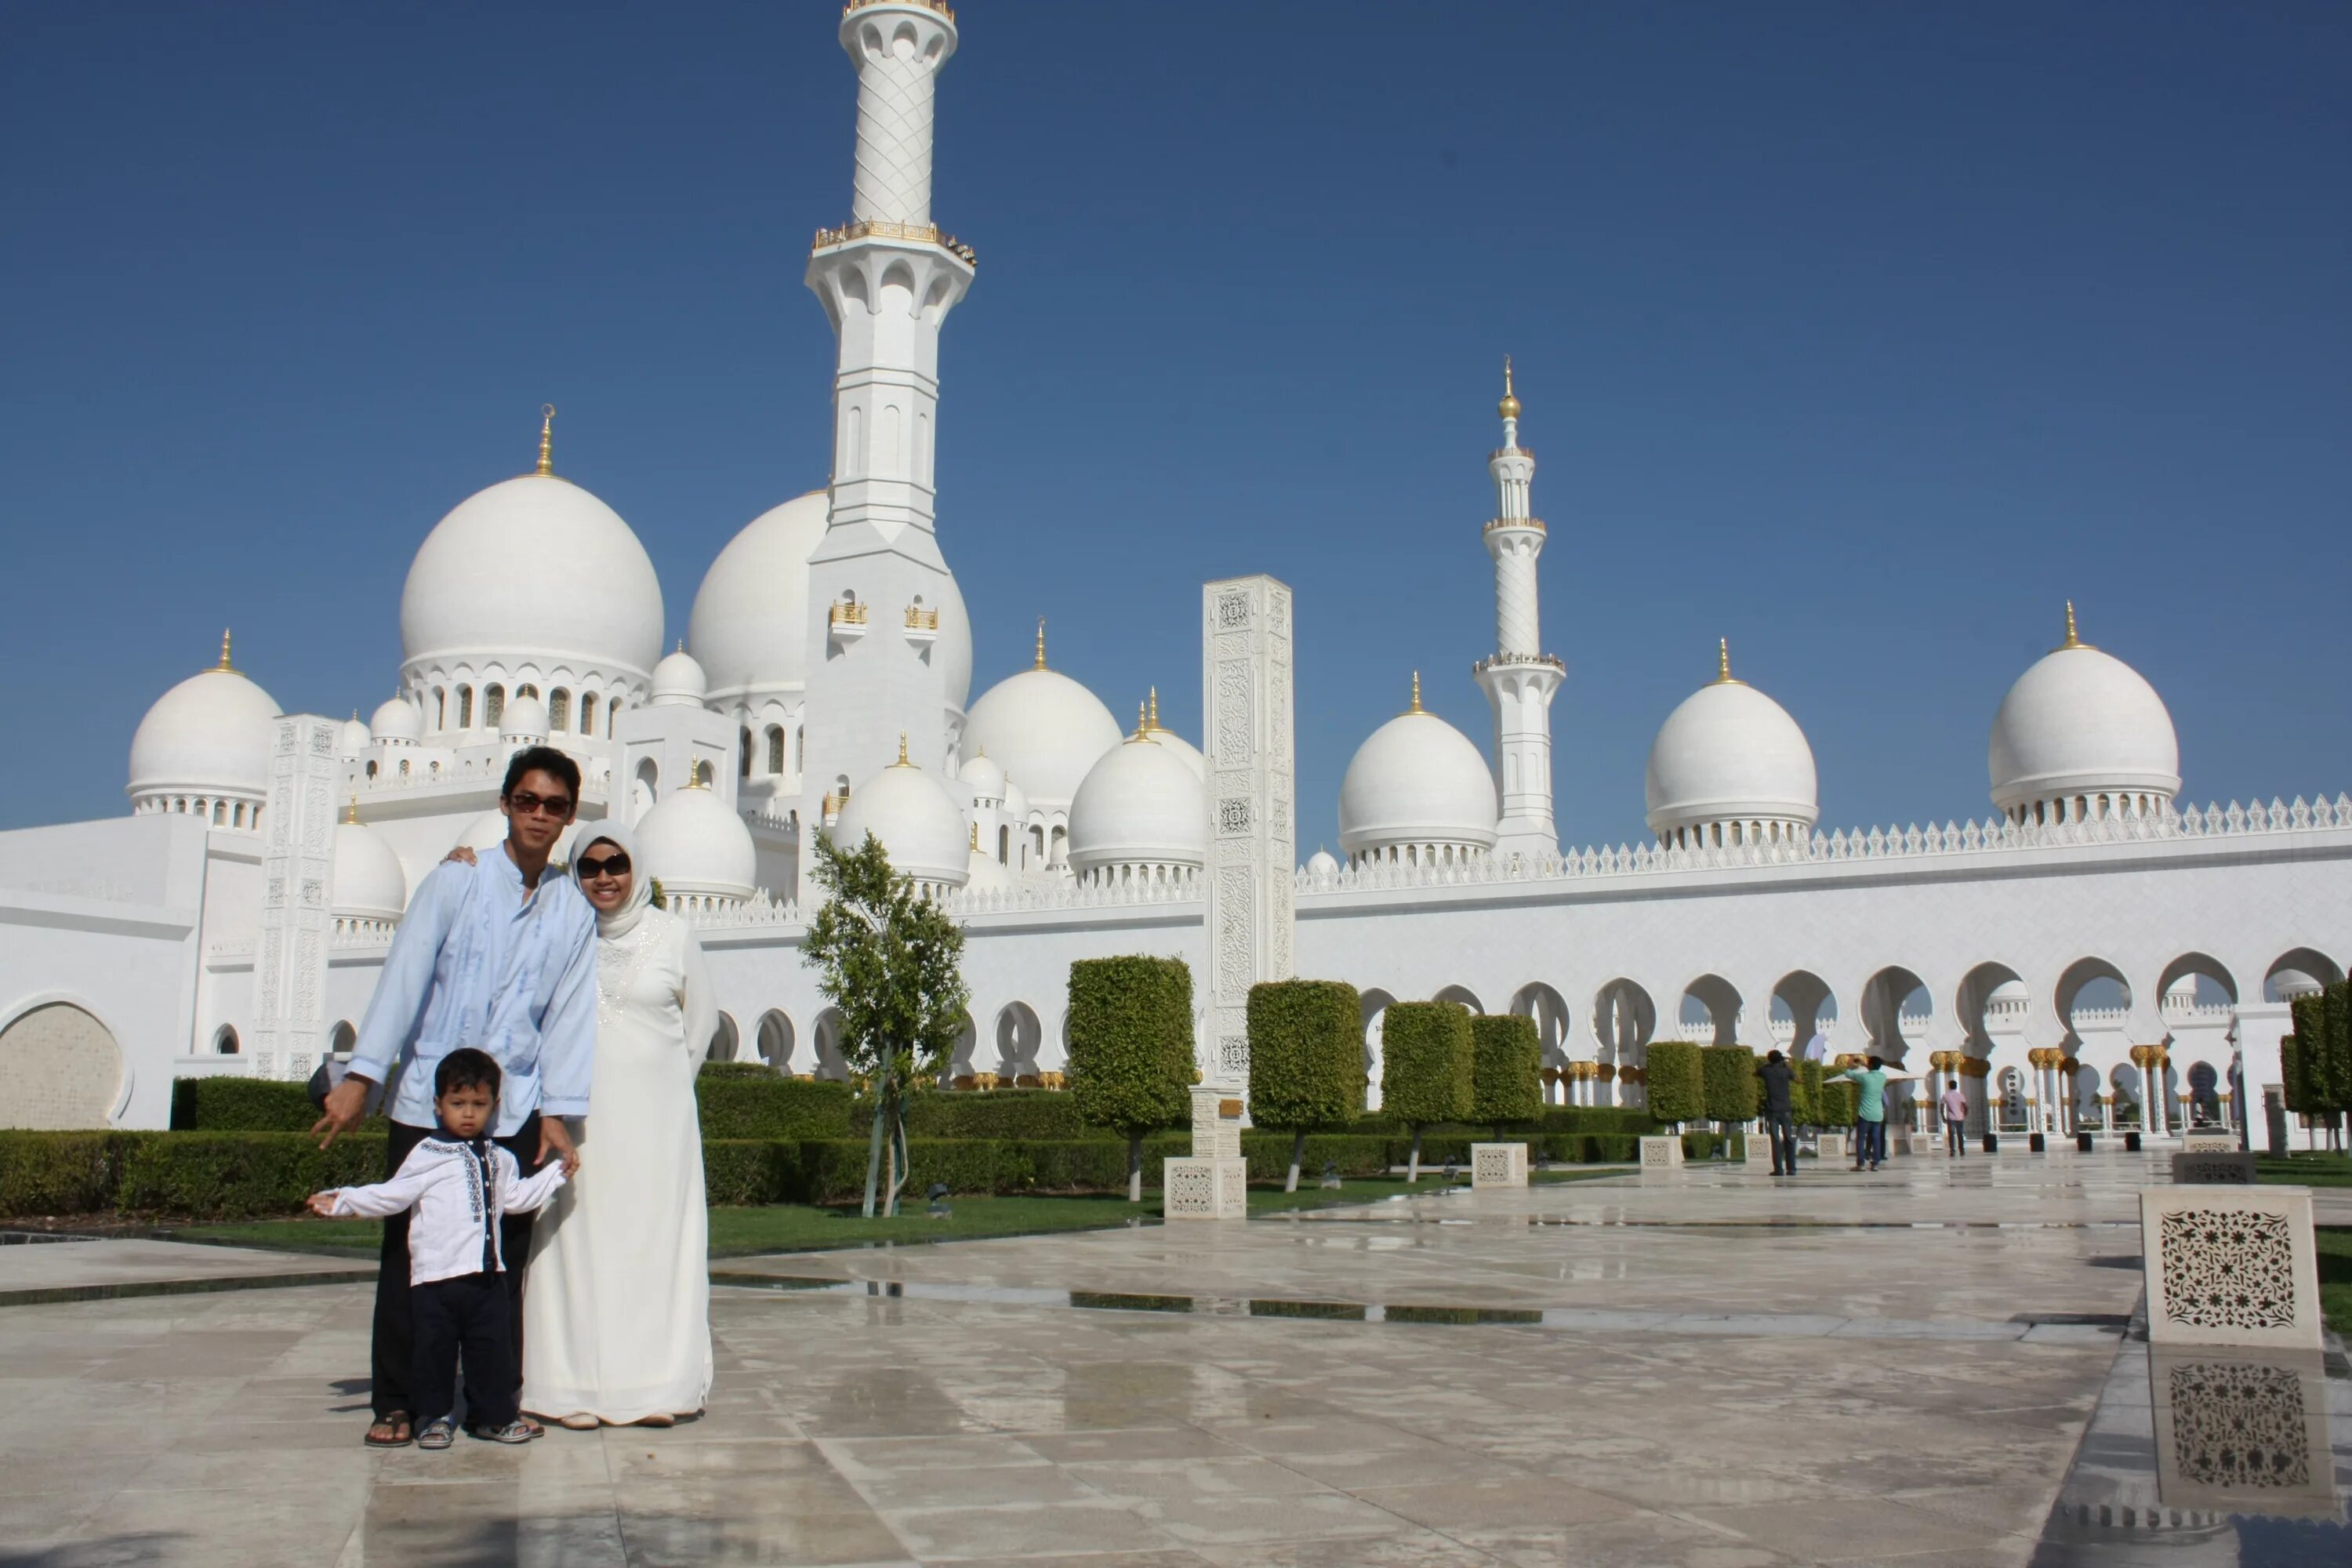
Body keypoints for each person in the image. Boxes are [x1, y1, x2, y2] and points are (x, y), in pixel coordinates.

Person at [311, 746, 596, 1449]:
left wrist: (556, 1113)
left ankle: (493, 1400)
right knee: (412, 1258)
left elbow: (567, 1017)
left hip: (514, 1110)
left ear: (568, 817)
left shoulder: (570, 908)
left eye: (553, 805)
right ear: (505, 804)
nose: (538, 815)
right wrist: (361, 1076)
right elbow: (406, 977)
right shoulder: (456, 882)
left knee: (500, 1268)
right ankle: (399, 1400)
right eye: (527, 800)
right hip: (427, 1106)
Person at [475, 821, 716, 1428]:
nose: (604, 877)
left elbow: (699, 1030)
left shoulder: (674, 935)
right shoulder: (562, 931)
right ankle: (567, 1387)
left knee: (651, 1244)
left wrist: (659, 1093)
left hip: (657, 1126)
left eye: (617, 865)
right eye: (590, 866)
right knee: (574, 1244)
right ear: (575, 872)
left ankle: (657, 1387)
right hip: (577, 1122)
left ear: (637, 870)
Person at [309, 1049, 568, 1449]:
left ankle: (494, 1418)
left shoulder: (501, 1158)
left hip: (487, 1280)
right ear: (438, 1104)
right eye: (458, 1103)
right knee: (434, 1355)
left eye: (479, 1105)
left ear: (495, 1107)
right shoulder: (427, 1155)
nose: (468, 1113)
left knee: (491, 1354)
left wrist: (555, 1174)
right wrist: (343, 1200)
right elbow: (392, 1195)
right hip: (435, 1282)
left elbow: (515, 1199)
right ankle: (434, 1417)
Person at [1831, 1056, 1890, 1171]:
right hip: (1878, 1114)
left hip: (1865, 1113)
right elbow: (1873, 1070)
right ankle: (1876, 1163)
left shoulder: (1864, 1077)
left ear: (1870, 1065)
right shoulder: (1883, 1077)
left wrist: (1850, 1064)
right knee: (1876, 1138)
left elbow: (1848, 1074)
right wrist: (1866, 1064)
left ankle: (1861, 1164)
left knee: (1861, 1138)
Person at [1758, 1049, 1798, 1175]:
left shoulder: (1766, 1070)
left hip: (1772, 1109)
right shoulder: (1786, 1070)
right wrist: (1787, 1065)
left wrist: (1768, 1065)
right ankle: (1791, 1168)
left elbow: (1755, 1073)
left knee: (1775, 1140)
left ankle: (1778, 1169)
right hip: (1785, 1109)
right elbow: (1798, 1080)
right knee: (1788, 1139)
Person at [1940, 1077, 1969, 1156]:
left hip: (1951, 1118)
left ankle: (1952, 1151)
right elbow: (1966, 1106)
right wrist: (1965, 1113)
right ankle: (1962, 1150)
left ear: (1949, 1086)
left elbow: (1942, 1106)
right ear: (1956, 1086)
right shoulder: (1960, 1096)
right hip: (1960, 1117)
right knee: (1960, 1134)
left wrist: (1943, 1116)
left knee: (1951, 1134)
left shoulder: (1945, 1095)